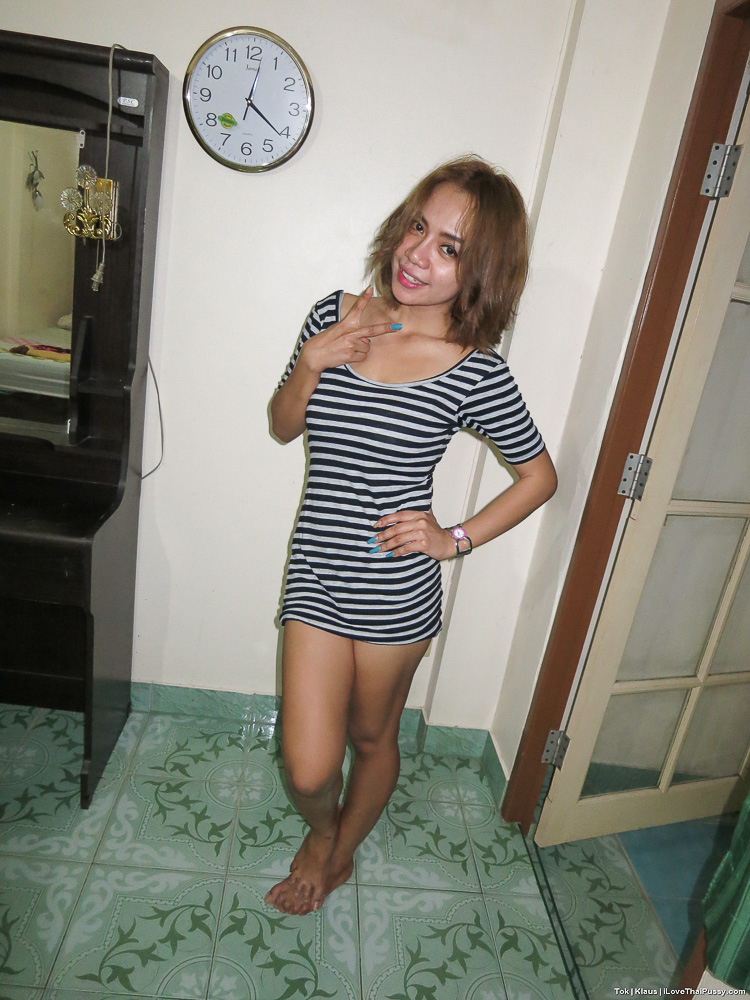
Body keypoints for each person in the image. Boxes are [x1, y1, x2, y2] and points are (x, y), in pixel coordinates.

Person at [266, 154, 558, 916]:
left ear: (480, 273)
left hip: (395, 591)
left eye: (449, 248)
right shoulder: (335, 316)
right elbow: (282, 425)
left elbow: (539, 478)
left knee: (372, 738)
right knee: (307, 767)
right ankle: (323, 827)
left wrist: (451, 537)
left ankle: (337, 852)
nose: (417, 253)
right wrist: (312, 363)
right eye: (418, 227)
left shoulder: (474, 372)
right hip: (318, 571)